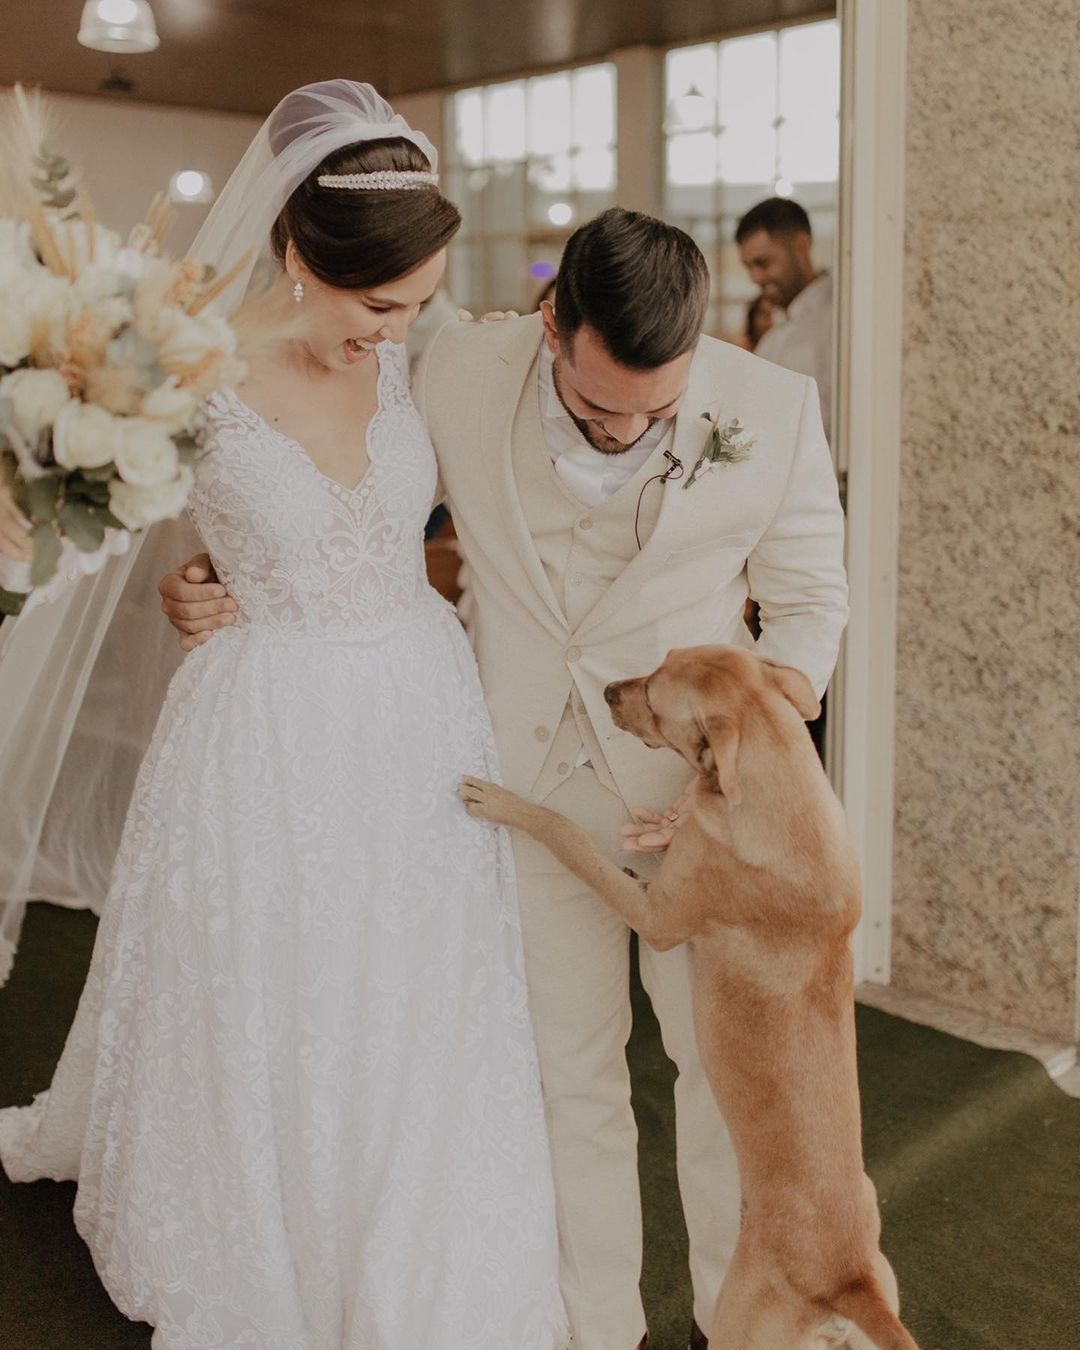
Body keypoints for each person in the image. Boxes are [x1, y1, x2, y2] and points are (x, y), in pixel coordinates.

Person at [162, 206, 849, 1350]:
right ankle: (598, 1329)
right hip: (517, 776)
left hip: (708, 810)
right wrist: (213, 571)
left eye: (657, 412)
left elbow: (810, 608)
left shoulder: (771, 406)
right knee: (565, 1077)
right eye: (596, 405)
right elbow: (330, 479)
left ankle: (736, 1328)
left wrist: (752, 770)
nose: (627, 431)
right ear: (548, 325)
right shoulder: (458, 362)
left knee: (727, 1084)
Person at [0, 82, 565, 1350]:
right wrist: (174, 578)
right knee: (274, 982)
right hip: (267, 724)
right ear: (300, 255)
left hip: (421, 706)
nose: (395, 334)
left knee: (415, 982)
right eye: (379, 307)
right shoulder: (188, 373)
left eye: (416, 308)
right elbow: (104, 514)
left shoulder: (408, 350)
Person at [735, 196, 834, 441]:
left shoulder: (837, 317)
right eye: (749, 267)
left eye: (763, 263)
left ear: (801, 246)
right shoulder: (773, 334)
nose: (755, 278)